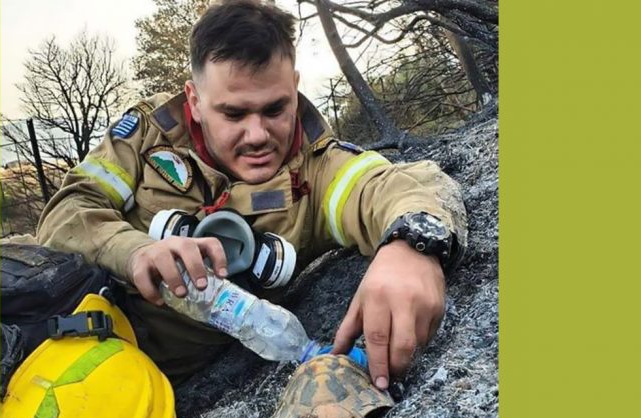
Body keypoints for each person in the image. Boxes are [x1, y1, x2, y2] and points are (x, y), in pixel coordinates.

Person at [35, 0, 467, 389]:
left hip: (146, 384)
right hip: (59, 327)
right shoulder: (146, 136)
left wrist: (414, 245)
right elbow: (66, 212)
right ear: (195, 99)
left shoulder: (316, 170)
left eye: (276, 108)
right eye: (234, 113)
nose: (258, 135)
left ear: (295, 87)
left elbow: (397, 186)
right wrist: (135, 252)